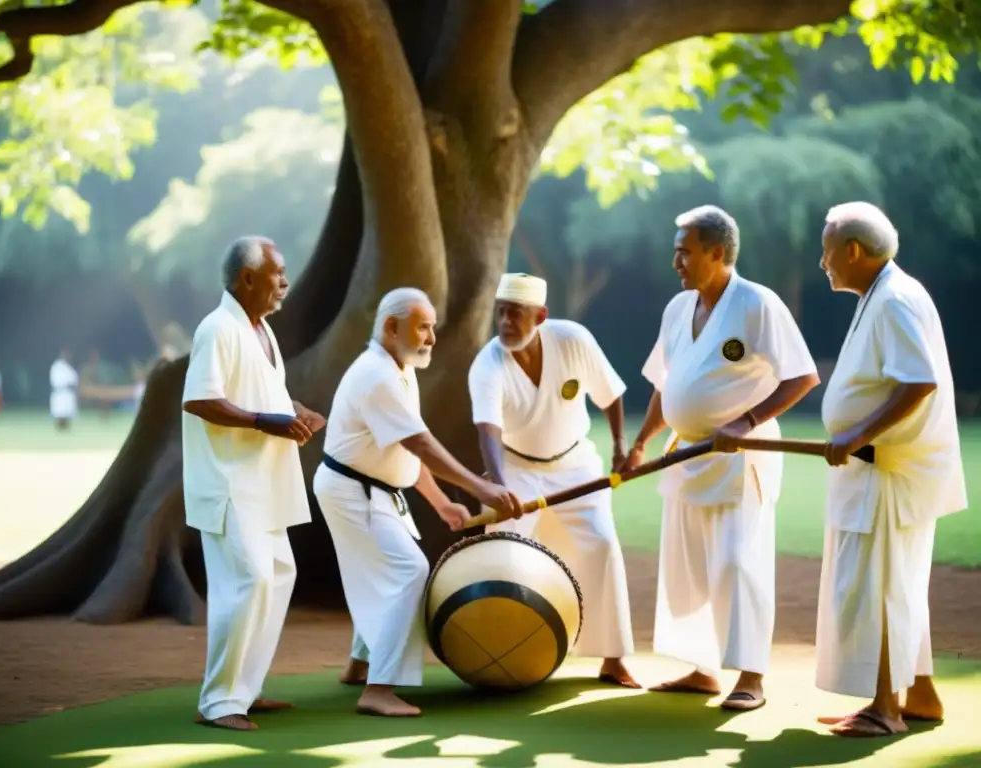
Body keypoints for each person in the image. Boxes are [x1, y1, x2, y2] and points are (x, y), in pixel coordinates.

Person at [629, 205, 819, 710]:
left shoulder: (757, 303)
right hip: (687, 455)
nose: (676, 263)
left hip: (742, 456)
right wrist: (641, 441)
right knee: (688, 566)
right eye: (676, 252)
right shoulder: (678, 308)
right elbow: (664, 385)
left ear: (717, 253)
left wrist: (747, 421)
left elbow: (801, 376)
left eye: (684, 252)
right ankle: (702, 668)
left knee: (739, 562)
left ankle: (752, 676)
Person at [314, 287, 523, 718]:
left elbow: (407, 446)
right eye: (422, 327)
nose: (430, 337)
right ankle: (378, 689)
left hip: (369, 489)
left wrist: (443, 502)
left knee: (377, 571)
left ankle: (360, 664)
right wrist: (482, 490)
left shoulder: (398, 367)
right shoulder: (377, 375)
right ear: (391, 328)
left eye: (431, 328)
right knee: (408, 570)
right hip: (353, 491)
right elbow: (422, 445)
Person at [813, 202, 966, 738]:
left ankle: (885, 708)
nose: (822, 262)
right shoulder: (883, 294)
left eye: (828, 251)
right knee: (895, 584)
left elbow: (918, 381)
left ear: (853, 250)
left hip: (890, 473)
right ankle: (920, 694)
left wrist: (856, 434)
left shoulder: (896, 298)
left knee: (881, 587)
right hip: (877, 471)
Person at [182, 235, 326, 732]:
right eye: (276, 272)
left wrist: (296, 411)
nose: (285, 281)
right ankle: (218, 701)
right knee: (249, 582)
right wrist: (269, 421)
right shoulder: (217, 328)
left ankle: (246, 689)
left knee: (277, 577)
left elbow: (266, 392)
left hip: (264, 486)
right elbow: (200, 400)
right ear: (247, 278)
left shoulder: (260, 329)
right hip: (228, 485)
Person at [467, 272, 639, 687]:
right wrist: (501, 486)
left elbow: (611, 394)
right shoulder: (487, 364)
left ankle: (612, 660)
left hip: (576, 464)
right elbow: (488, 430)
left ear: (541, 316)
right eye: (501, 313)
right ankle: (497, 653)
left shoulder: (573, 339)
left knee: (601, 544)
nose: (506, 322)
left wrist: (619, 446)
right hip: (516, 469)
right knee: (503, 555)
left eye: (516, 314)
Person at [49, 349, 79, 430]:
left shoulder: (68, 366)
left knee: (68, 412)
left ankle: (66, 427)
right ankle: (59, 426)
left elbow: (74, 378)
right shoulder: (57, 366)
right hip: (59, 392)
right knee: (59, 411)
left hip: (67, 392)